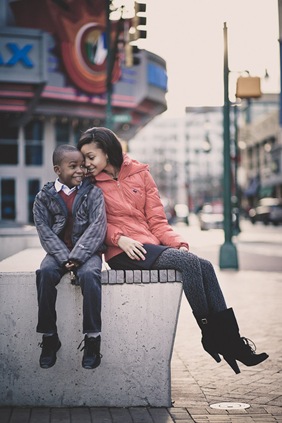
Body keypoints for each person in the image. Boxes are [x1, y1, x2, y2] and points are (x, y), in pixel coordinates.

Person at [77, 127, 268, 375]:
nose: (87, 164)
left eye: (91, 157)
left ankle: (231, 341)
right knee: (188, 265)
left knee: (203, 265)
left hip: (149, 246)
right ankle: (211, 335)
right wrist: (119, 239)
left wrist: (178, 245)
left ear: (108, 151)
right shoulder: (90, 185)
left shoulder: (140, 173)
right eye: (84, 159)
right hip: (124, 252)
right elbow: (92, 222)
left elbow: (157, 221)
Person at [33, 144, 107, 370]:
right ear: (57, 169)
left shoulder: (93, 193)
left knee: (90, 275)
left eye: (82, 166)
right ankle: (49, 337)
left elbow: (98, 226)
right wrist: (65, 257)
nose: (80, 171)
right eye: (72, 166)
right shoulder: (44, 197)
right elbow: (44, 230)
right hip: (57, 253)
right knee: (44, 273)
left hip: (88, 252)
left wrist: (78, 256)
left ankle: (93, 339)